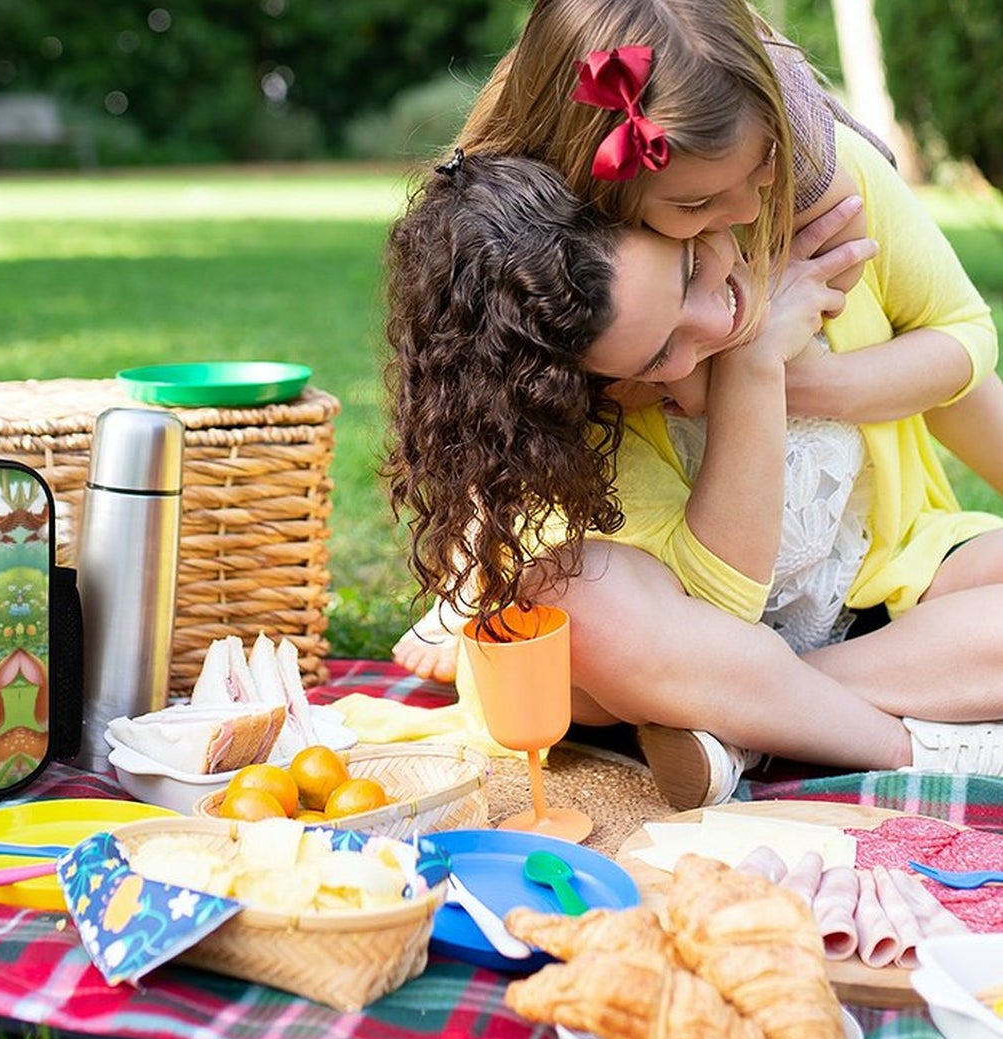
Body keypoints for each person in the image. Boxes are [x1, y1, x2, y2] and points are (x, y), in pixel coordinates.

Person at [391, 0, 1003, 686]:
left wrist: (795, 378)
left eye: (761, 167)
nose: (745, 208)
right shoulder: (571, 295)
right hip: (683, 600)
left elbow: (964, 340)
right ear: (599, 191)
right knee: (579, 636)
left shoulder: (823, 187)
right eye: (694, 206)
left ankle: (781, 703)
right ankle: (788, 696)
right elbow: (495, 429)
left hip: (881, 565)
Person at [356, 146, 1003, 808]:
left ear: (668, 212)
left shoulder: (813, 204)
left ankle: (746, 730)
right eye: (660, 351)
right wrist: (750, 367)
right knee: (574, 599)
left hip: (873, 592)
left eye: (692, 266)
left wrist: (798, 377)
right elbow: (719, 614)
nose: (714, 319)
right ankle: (906, 744)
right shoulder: (588, 389)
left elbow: (960, 360)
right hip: (682, 644)